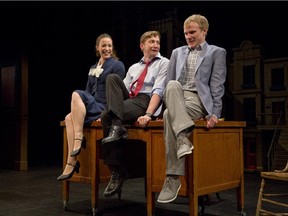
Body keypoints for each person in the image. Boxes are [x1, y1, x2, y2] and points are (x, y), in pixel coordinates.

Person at [157, 14, 227, 203]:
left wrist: (214, 113)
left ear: (204, 31)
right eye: (186, 33)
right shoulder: (176, 53)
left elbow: (217, 85)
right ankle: (182, 140)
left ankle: (172, 178)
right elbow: (167, 85)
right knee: (171, 86)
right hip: (176, 96)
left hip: (198, 100)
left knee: (167, 114)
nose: (188, 36)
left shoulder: (216, 52)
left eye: (192, 32)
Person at [100, 30, 169, 198]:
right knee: (112, 79)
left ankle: (117, 172)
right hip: (131, 99)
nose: (155, 45)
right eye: (151, 42)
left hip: (145, 100)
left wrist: (148, 113)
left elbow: (158, 91)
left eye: (157, 42)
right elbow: (118, 92)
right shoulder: (133, 67)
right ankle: (117, 128)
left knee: (105, 116)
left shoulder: (164, 63)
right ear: (142, 46)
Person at [57, 33, 126, 181]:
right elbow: (88, 92)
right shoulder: (93, 67)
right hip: (93, 103)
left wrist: (109, 114)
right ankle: (72, 161)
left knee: (76, 93)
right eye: (104, 45)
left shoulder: (117, 65)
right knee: (69, 117)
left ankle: (78, 137)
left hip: (105, 106)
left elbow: (117, 92)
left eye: (109, 45)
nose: (107, 48)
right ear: (97, 47)